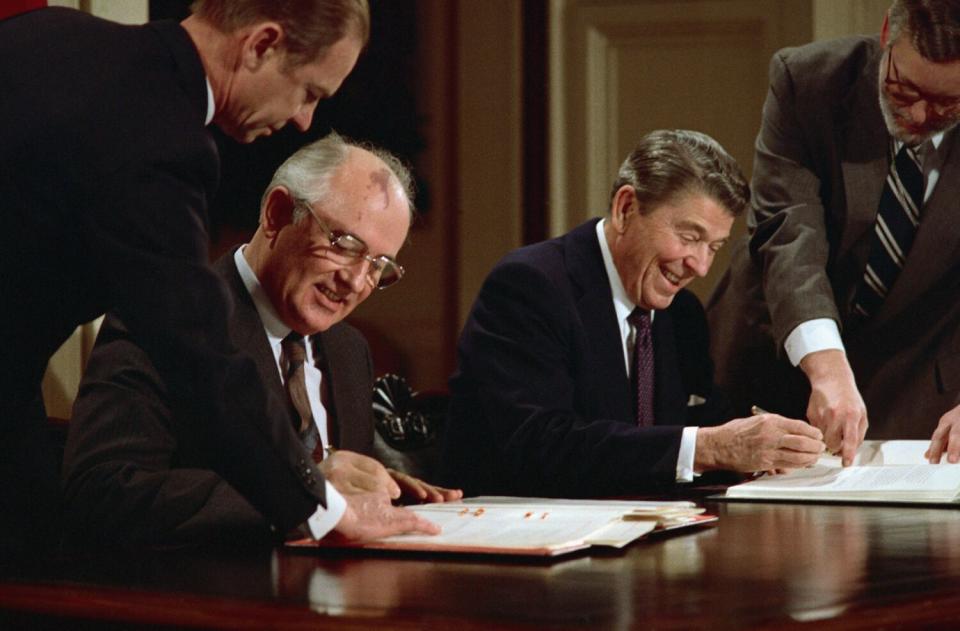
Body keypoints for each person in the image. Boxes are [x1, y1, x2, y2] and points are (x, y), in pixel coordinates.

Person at [0, 0, 435, 557]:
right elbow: (195, 344)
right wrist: (318, 506)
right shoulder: (161, 138)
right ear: (261, 45)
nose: (304, 120)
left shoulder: (46, 34)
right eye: (309, 92)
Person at [62, 134, 460, 548]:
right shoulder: (161, 320)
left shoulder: (349, 350)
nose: (356, 281)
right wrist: (303, 496)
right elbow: (100, 492)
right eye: (345, 245)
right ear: (277, 214)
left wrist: (372, 493)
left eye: (378, 266)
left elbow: (335, 494)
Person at [439, 130, 825, 498]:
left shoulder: (683, 315)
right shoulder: (530, 285)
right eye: (690, 238)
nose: (701, 266)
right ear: (626, 208)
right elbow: (541, 443)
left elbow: (710, 427)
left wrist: (766, 453)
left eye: (714, 246)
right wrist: (711, 447)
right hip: (518, 540)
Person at [706, 0, 960, 467]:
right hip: (774, 356)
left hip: (919, 375)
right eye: (903, 91)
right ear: (886, 33)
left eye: (949, 104)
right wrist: (825, 365)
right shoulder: (808, 81)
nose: (922, 116)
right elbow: (788, 230)